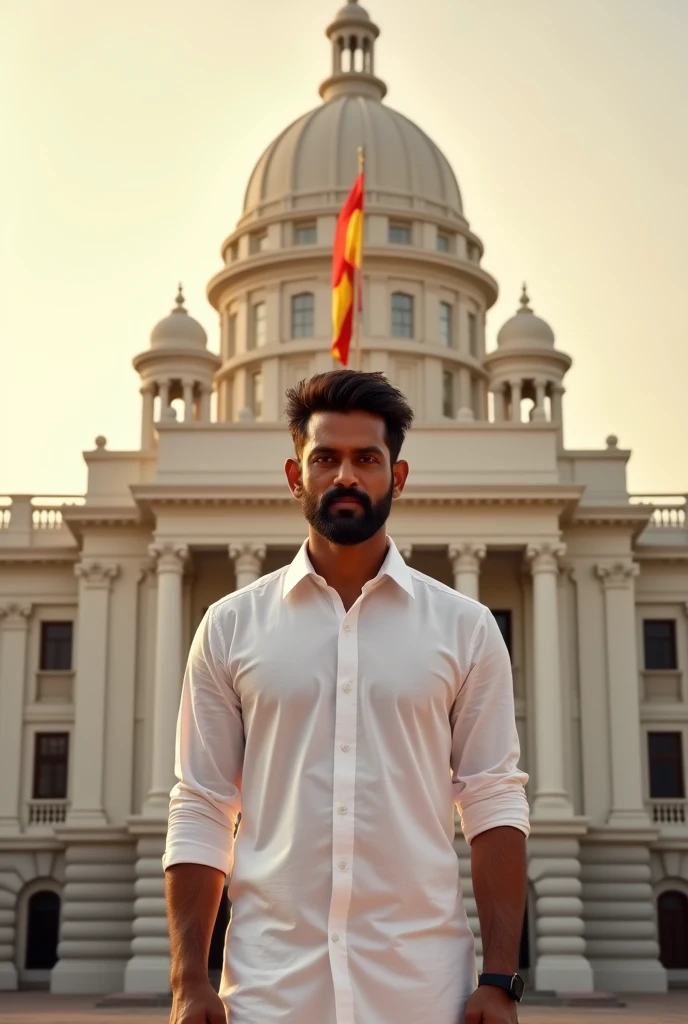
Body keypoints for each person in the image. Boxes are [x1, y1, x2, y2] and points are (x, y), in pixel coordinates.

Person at [164, 370, 530, 1024]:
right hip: (270, 993)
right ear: (294, 474)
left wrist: (499, 978)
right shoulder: (230, 625)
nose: (346, 476)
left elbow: (492, 794)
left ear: (398, 476)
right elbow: (204, 804)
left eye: (367, 459)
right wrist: (188, 980)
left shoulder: (465, 627)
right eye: (325, 457)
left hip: (420, 991)